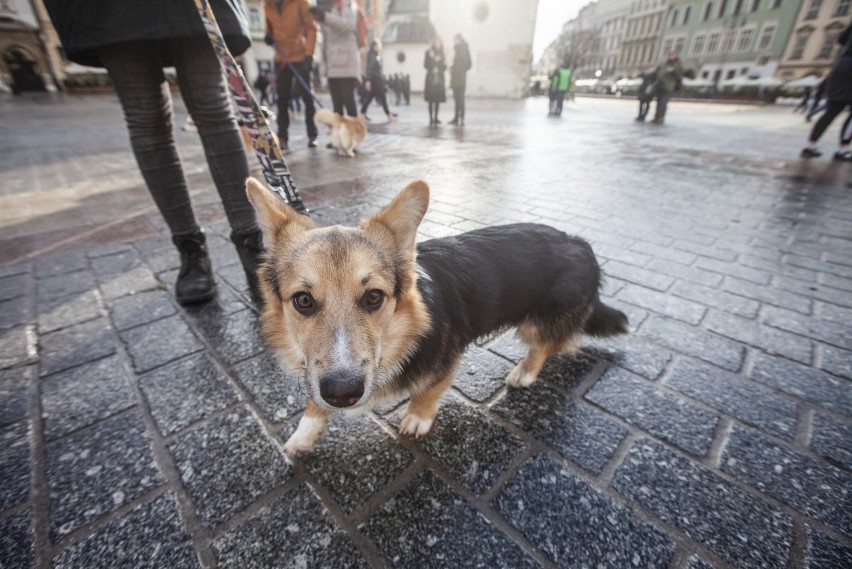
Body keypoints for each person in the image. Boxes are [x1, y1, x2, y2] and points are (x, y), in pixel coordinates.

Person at [44, 0, 265, 307]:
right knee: (146, 120)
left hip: (192, 7)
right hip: (109, 11)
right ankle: (190, 247)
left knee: (215, 110)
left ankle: (249, 241)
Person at [264, 0, 318, 150]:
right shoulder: (268, 5)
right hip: (281, 57)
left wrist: (309, 54)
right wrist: (268, 37)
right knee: (282, 99)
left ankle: (312, 134)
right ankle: (282, 136)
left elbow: (311, 28)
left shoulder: (300, 2)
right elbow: (269, 28)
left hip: (300, 56)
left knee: (307, 97)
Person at [802, 23, 852, 161]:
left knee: (831, 111)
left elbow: (841, 39)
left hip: (840, 66)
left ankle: (810, 145)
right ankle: (843, 149)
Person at [310, 0, 360, 117]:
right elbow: (326, 42)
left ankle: (354, 132)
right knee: (337, 106)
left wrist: (325, 17)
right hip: (332, 66)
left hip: (346, 65)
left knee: (348, 101)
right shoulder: (326, 8)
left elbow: (348, 25)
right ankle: (338, 132)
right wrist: (324, 66)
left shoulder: (347, 5)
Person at [360, 39, 397, 122]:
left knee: (369, 98)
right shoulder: (372, 56)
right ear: (374, 47)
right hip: (375, 80)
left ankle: (362, 114)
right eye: (379, 46)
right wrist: (368, 80)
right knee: (383, 98)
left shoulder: (374, 55)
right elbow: (369, 69)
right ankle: (389, 115)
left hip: (375, 80)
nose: (380, 47)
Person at [651, 51, 683, 125]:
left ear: (675, 56)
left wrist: (673, 70)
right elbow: (659, 73)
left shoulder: (677, 64)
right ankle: (656, 117)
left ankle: (661, 117)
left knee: (663, 102)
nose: (670, 56)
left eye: (672, 55)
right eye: (669, 55)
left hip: (669, 86)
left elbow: (680, 72)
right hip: (660, 85)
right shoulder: (664, 64)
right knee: (658, 102)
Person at [449, 34, 472, 126]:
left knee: (460, 98)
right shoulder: (456, 50)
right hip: (455, 78)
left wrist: (462, 71)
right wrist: (453, 69)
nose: (454, 41)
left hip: (460, 78)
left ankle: (461, 117)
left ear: (459, 40)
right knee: (456, 99)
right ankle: (456, 117)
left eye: (455, 40)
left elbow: (469, 64)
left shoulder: (464, 49)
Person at [424, 37, 447, 124]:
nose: (437, 44)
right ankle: (431, 118)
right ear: (434, 43)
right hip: (430, 78)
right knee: (431, 99)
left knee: (437, 99)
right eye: (436, 42)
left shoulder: (442, 54)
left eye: (439, 43)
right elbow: (425, 65)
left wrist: (444, 64)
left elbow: (444, 68)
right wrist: (432, 65)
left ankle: (436, 117)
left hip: (439, 78)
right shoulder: (429, 53)